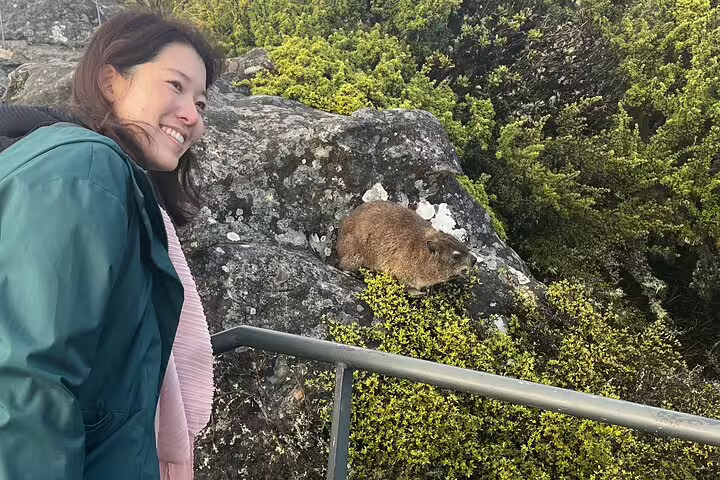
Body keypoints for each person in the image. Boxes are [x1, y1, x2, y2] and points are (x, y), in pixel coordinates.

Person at [0, 10, 222, 480]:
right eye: (175, 86)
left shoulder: (102, 176)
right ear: (111, 81)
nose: (192, 115)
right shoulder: (86, 170)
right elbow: (27, 380)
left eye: (202, 103)